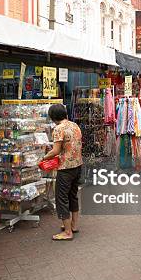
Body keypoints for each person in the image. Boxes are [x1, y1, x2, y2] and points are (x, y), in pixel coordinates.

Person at [42, 103, 83, 241]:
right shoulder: (74, 125)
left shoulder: (58, 129)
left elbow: (56, 151)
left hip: (65, 168)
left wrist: (43, 158)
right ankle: (74, 225)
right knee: (73, 196)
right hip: (77, 166)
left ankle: (67, 232)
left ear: (53, 117)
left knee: (61, 199)